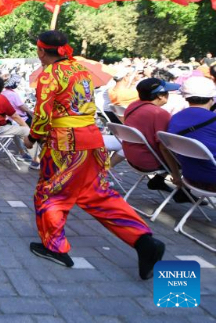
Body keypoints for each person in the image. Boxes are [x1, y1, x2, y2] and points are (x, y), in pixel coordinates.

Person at [23, 30, 164, 279]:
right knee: (97, 193)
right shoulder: (81, 70)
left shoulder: (50, 75)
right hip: (92, 138)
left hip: (65, 143)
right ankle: (144, 241)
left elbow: (43, 115)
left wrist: (32, 138)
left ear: (41, 50)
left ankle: (54, 248)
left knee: (50, 194)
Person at [122, 78, 178, 191]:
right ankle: (184, 192)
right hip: (149, 162)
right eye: (167, 92)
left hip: (132, 157)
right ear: (160, 96)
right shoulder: (160, 114)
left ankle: (158, 181)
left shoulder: (133, 105)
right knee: (190, 156)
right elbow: (164, 147)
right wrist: (176, 175)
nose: (168, 95)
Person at [167, 76, 216, 191]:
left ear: (186, 98)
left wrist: (175, 175)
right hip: (212, 180)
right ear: (212, 98)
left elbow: (165, 149)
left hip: (190, 177)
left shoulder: (175, 118)